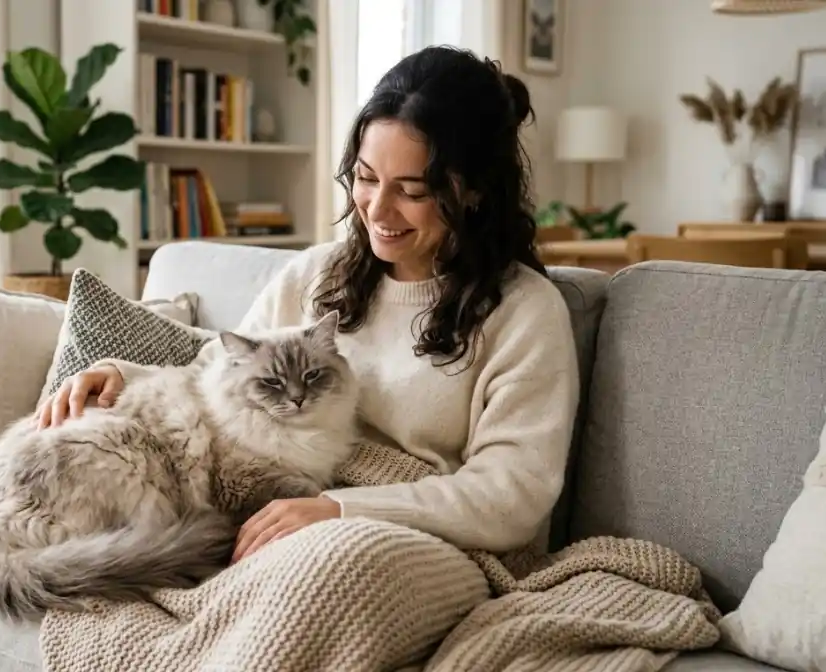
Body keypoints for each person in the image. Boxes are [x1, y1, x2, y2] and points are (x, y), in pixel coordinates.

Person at [36, 45, 579, 662]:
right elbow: (227, 369)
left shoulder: (524, 311)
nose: (376, 210)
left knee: (331, 575)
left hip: (431, 535)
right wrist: (119, 374)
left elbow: (511, 498)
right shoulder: (319, 274)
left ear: (473, 190)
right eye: (366, 179)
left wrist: (336, 509)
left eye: (412, 191)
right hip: (288, 502)